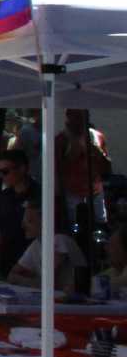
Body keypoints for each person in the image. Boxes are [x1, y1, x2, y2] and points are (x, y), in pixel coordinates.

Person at [60, 108, 111, 262]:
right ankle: (79, 260)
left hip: (94, 190)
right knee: (77, 229)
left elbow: (107, 167)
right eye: (72, 117)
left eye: (79, 116)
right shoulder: (62, 139)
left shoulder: (97, 136)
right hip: (73, 192)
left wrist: (97, 151)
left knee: (99, 226)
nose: (75, 121)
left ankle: (100, 258)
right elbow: (59, 167)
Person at [9, 199, 84, 288]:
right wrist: (33, 280)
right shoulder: (36, 244)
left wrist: (21, 279)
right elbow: (11, 275)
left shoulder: (60, 240)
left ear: (45, 222)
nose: (23, 226)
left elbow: (48, 284)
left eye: (30, 221)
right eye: (24, 221)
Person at [0, 147, 37, 279]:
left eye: (5, 171)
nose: (1, 176)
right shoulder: (4, 196)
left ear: (22, 169)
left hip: (30, 262)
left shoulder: (39, 195)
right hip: (5, 260)